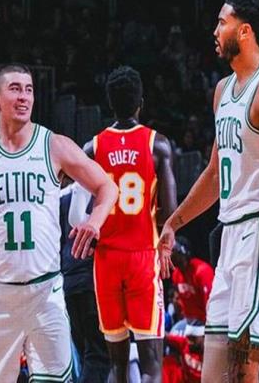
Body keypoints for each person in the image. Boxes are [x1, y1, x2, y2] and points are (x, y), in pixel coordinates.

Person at [158, 0, 259, 382]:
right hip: (231, 236)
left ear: (245, 31)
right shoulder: (222, 90)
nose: (215, 30)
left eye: (222, 22)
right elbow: (213, 174)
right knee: (214, 372)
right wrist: (174, 223)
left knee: (243, 371)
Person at [0, 64, 117, 383]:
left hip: (45, 291)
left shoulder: (53, 145)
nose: (24, 96)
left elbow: (107, 186)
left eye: (29, 89)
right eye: (15, 89)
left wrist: (94, 221)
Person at [83, 65, 177, 382]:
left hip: (106, 259)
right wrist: (166, 246)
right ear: (141, 103)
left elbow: (81, 208)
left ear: (110, 104)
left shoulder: (93, 148)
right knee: (151, 364)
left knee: (117, 366)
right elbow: (169, 211)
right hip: (142, 257)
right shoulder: (157, 144)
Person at [60, 181, 110, 382]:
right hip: (92, 279)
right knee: (99, 355)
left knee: (84, 355)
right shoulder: (101, 188)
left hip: (68, 282)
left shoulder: (61, 196)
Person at [171, 236, 214, 325]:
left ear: (182, 251)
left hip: (205, 320)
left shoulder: (202, 270)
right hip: (189, 320)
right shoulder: (176, 275)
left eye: (172, 250)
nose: (169, 254)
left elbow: (211, 302)